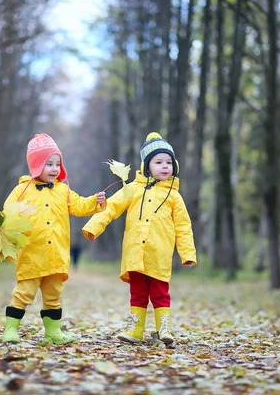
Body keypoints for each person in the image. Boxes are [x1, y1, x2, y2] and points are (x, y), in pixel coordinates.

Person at [82, 132, 196, 345]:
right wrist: (93, 227)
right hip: (135, 253)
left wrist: (187, 253)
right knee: (138, 292)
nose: (165, 166)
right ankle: (136, 329)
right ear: (147, 166)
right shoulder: (132, 190)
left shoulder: (174, 195)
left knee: (160, 293)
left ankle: (164, 328)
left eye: (169, 162)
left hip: (159, 254)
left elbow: (183, 227)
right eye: (159, 162)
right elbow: (111, 209)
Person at [1, 133, 106, 345]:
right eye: (48, 164)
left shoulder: (63, 191)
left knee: (53, 296)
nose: (54, 169)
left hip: (56, 255)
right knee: (23, 293)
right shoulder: (21, 191)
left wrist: (96, 201)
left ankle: (53, 331)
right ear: (35, 165)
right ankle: (11, 329)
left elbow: (79, 206)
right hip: (31, 254)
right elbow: (7, 212)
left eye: (57, 164)